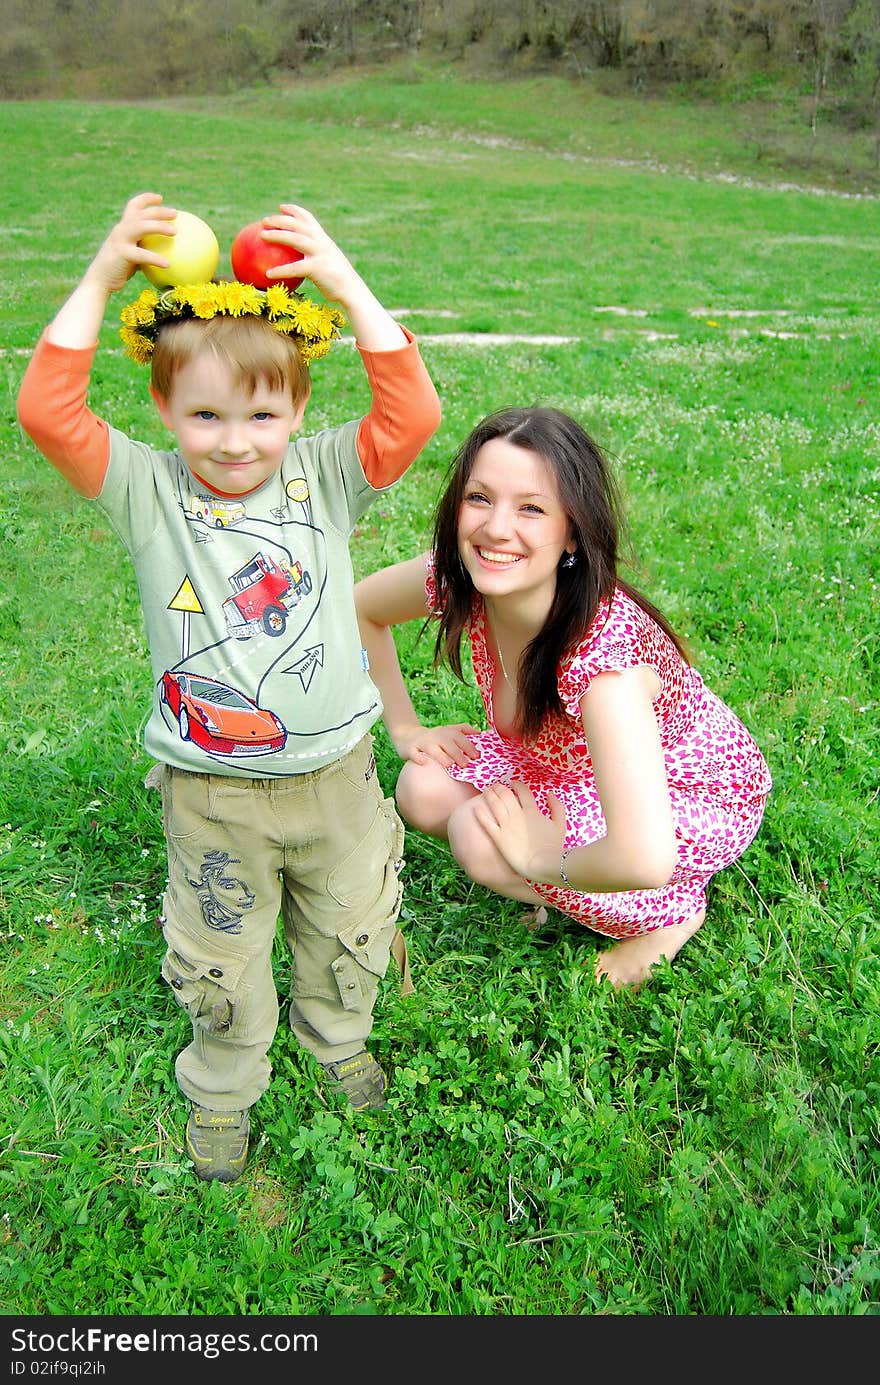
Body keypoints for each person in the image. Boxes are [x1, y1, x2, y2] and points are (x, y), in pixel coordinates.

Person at [17, 191, 441, 1183]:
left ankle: (335, 1037)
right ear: (164, 410)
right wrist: (104, 272)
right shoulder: (149, 490)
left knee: (349, 920)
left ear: (298, 408)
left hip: (337, 773)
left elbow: (412, 410)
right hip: (214, 793)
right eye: (204, 413)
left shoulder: (329, 475)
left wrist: (338, 280)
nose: (236, 438)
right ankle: (221, 1078)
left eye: (262, 412)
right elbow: (45, 408)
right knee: (220, 948)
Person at [354, 406, 771, 991]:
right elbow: (363, 608)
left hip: (688, 792)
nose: (497, 529)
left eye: (531, 508)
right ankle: (564, 881)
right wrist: (404, 729)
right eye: (480, 498)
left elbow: (643, 855)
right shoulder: (463, 583)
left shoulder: (606, 665)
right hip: (562, 765)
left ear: (571, 530)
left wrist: (543, 858)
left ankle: (671, 917)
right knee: (422, 788)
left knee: (480, 835)